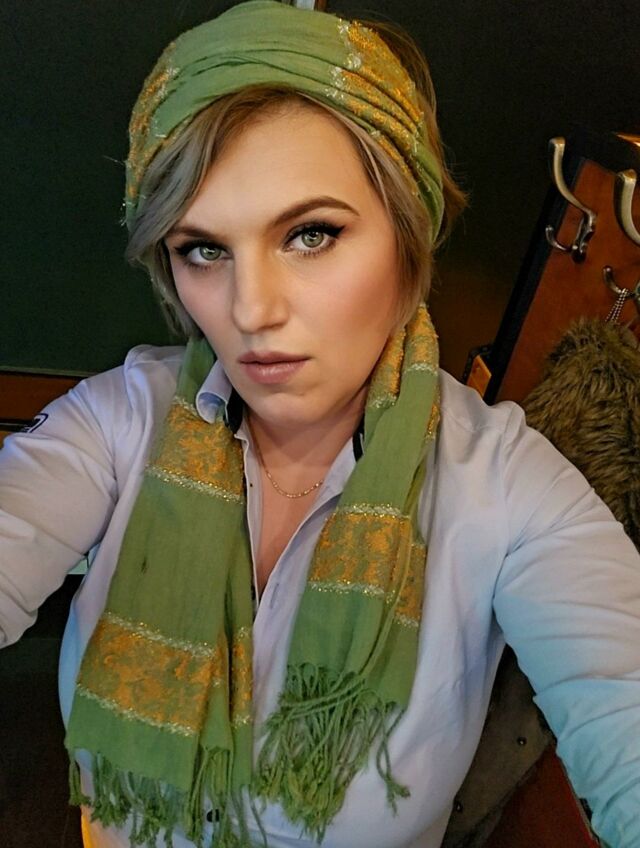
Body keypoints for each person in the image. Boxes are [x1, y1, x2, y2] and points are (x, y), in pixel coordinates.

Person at [1, 1, 639, 846]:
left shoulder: (508, 489)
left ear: (407, 235)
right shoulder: (118, 421)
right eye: (203, 249)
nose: (250, 311)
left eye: (310, 234)